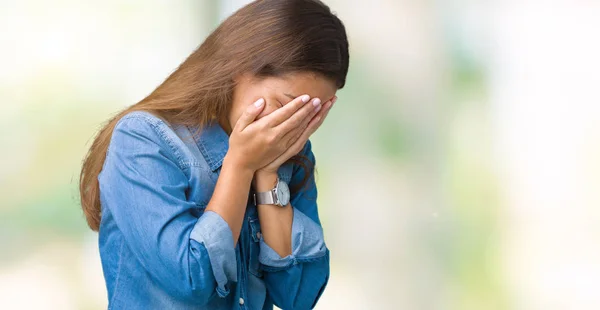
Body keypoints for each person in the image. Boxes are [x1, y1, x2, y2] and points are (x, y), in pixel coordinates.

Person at [79, 0, 349, 308]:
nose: (289, 126)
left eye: (308, 115)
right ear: (238, 68)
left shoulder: (289, 155)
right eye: (283, 105)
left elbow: (298, 297)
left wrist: (268, 177)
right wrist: (241, 164)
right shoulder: (143, 140)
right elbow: (192, 280)